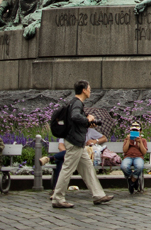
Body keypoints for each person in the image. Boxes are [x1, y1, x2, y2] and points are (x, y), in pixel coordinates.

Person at [50, 80, 114, 208]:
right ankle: (57, 198)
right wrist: (87, 119)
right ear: (84, 90)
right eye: (89, 88)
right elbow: (75, 117)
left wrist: (88, 123)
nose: (90, 90)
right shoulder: (77, 103)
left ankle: (98, 195)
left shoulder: (74, 103)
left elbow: (75, 121)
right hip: (75, 142)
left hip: (77, 142)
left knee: (88, 168)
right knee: (67, 170)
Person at [121, 122, 147, 194]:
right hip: (128, 157)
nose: (135, 132)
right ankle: (132, 179)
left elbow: (144, 152)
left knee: (139, 166)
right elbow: (124, 150)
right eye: (133, 131)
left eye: (137, 131)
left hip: (138, 157)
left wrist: (140, 142)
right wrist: (128, 140)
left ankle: (132, 181)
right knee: (124, 166)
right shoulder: (127, 140)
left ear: (140, 131)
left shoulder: (143, 140)